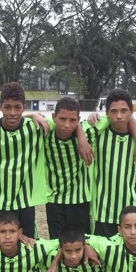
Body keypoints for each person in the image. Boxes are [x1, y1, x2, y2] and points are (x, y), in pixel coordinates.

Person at [0, 82, 47, 238]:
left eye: (17, 107)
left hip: (25, 200)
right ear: (0, 107)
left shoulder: (35, 127)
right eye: (7, 107)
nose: (12, 112)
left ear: (24, 107)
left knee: (28, 244)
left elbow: (65, 123)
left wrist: (34, 115)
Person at [86, 89, 136, 236]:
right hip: (103, 208)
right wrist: (91, 117)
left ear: (132, 111)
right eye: (114, 111)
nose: (119, 116)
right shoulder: (98, 133)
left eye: (124, 111)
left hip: (132, 207)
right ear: (106, 113)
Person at [43, 97, 95, 238]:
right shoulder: (45, 132)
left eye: (72, 120)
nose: (67, 125)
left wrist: (82, 138)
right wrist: (33, 114)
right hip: (54, 199)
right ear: (54, 117)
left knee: (82, 241)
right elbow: (22, 120)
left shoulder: (88, 131)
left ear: (78, 119)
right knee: (57, 241)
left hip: (80, 198)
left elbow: (115, 118)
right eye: (62, 119)